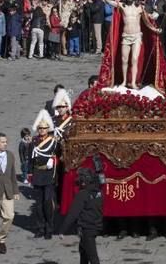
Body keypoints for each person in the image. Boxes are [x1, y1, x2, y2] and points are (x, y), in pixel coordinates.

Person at [59, 167, 103, 264]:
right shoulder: (98, 192)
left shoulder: (82, 194)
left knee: (93, 257)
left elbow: (72, 214)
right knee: (83, 251)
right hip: (96, 226)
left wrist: (62, 230)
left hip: (87, 228)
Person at [30, 109, 57, 239]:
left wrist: (53, 160)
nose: (41, 130)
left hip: (48, 174)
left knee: (47, 203)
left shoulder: (53, 141)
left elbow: (59, 156)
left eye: (44, 128)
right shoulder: (34, 142)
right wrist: (30, 174)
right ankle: (40, 227)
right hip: (37, 173)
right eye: (40, 128)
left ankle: (49, 228)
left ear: (48, 129)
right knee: (39, 204)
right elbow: (30, 159)